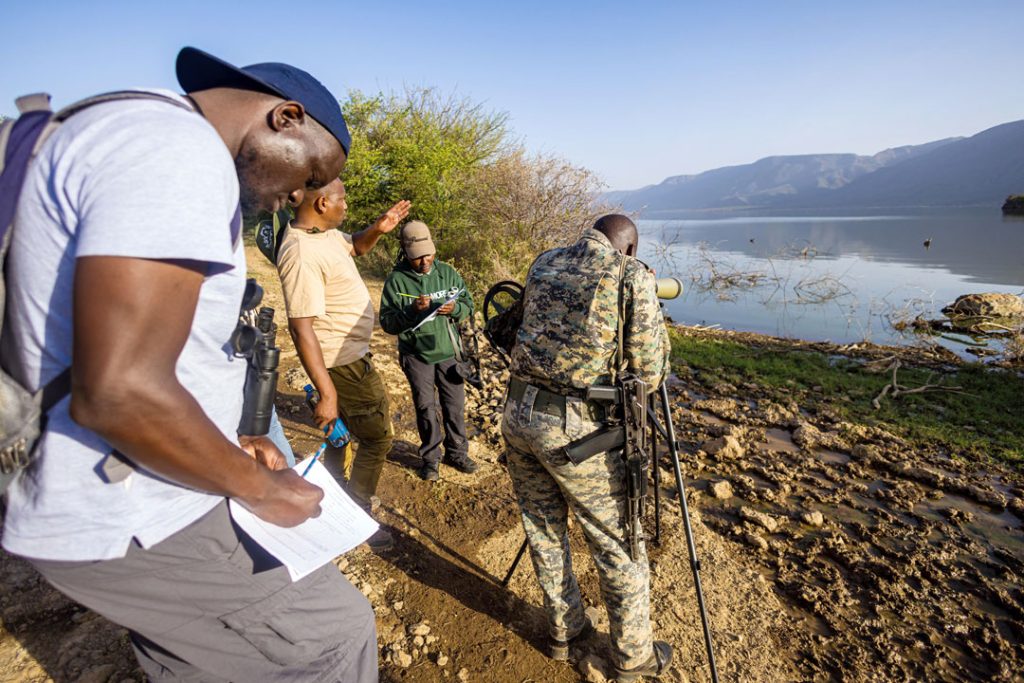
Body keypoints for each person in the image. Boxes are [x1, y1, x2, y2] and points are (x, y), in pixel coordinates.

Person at [0, 47, 378, 682]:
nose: (300, 197)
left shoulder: (116, 125)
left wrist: (233, 436)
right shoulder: (179, 152)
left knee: (203, 656)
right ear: (286, 118)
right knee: (332, 636)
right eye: (312, 175)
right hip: (128, 502)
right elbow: (121, 392)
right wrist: (261, 488)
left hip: (76, 487)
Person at [501, 215, 673, 682]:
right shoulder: (629, 275)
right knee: (617, 541)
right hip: (576, 432)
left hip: (518, 414)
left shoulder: (544, 263)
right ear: (630, 249)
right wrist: (646, 299)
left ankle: (566, 634)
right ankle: (634, 657)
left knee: (543, 527)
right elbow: (651, 372)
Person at [276, 177, 410, 549]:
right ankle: (354, 511)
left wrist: (379, 230)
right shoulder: (300, 253)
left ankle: (332, 497)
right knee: (378, 438)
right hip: (342, 362)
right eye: (342, 199)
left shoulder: (325, 234)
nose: (346, 205)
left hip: (348, 357)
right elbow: (301, 328)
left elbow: (355, 247)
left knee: (341, 434)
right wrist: (327, 392)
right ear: (321, 204)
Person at [379, 221, 478, 481]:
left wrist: (455, 310)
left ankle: (457, 453)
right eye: (418, 257)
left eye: (429, 254)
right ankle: (431, 459)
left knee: (454, 406)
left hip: (447, 352)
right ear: (405, 254)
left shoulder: (447, 273)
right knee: (426, 407)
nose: (425, 261)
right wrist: (412, 311)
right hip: (416, 355)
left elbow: (468, 303)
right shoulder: (396, 281)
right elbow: (388, 323)